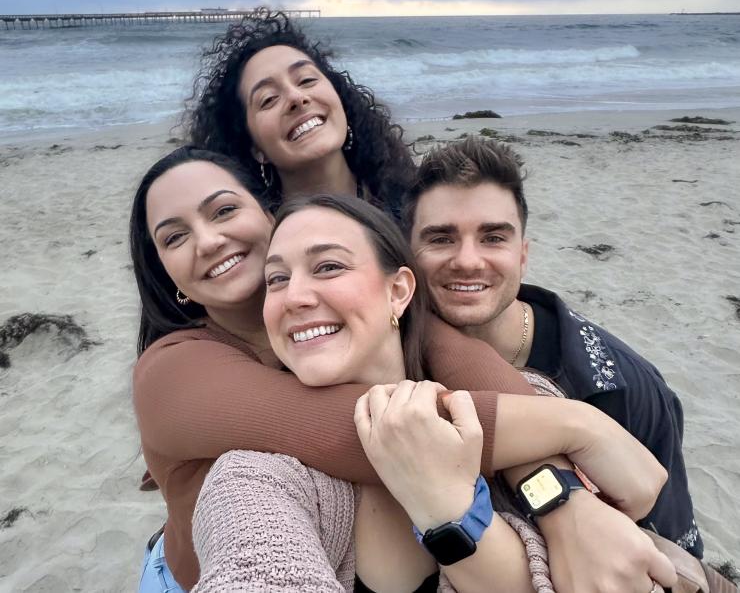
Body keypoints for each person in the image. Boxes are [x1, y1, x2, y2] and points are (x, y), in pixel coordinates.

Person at [132, 147, 670, 592]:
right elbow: (359, 427)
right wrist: (582, 426)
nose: (208, 240)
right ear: (166, 271)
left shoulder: (396, 326)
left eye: (223, 211)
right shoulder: (175, 375)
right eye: (173, 236)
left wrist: (561, 496)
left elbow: (459, 356)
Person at [403, 135, 703, 556]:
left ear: (523, 255)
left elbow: (674, 544)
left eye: (493, 238)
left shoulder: (623, 387)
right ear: (409, 256)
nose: (468, 260)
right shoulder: (392, 356)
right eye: (441, 239)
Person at [184, 7, 415, 219]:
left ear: (341, 100)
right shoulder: (260, 243)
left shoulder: (412, 206)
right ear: (255, 148)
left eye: (306, 80)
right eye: (269, 99)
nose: (296, 98)